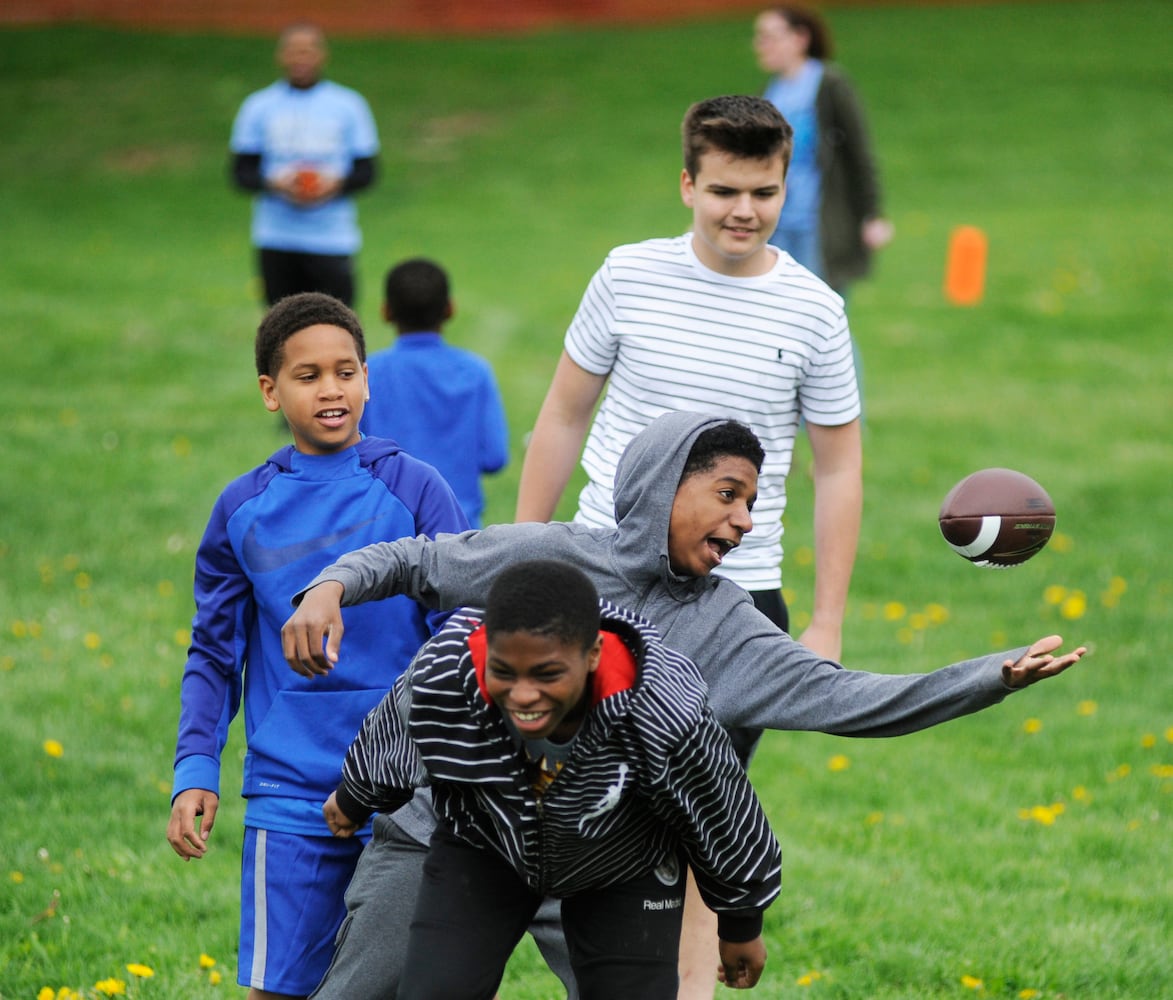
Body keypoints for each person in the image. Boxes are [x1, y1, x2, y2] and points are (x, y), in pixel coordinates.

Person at [282, 411, 1087, 1000]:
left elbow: (847, 699)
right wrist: (330, 588)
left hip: (603, 860)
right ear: (664, 485)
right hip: (455, 836)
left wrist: (991, 677)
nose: (743, 521)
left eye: (753, 502)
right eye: (727, 495)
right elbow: (416, 564)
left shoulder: (726, 627)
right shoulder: (550, 557)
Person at [165, 292, 468, 1000]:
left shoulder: (416, 489)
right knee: (279, 989)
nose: (331, 389)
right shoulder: (241, 510)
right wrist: (194, 767)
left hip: (405, 792)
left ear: (367, 378)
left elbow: (461, 635)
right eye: (308, 376)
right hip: (289, 793)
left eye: (345, 371)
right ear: (271, 391)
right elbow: (214, 654)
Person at [324, 559, 781, 998]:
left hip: (622, 859)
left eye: (547, 675)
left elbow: (721, 809)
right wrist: (354, 797)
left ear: (593, 655)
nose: (523, 694)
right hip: (487, 840)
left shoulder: (660, 704)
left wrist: (741, 922)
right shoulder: (449, 671)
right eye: (503, 671)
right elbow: (398, 732)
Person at [514, 94, 861, 666]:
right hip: (605, 570)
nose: (744, 210)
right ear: (688, 186)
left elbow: (839, 467)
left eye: (764, 193)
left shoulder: (817, 311)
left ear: (785, 188)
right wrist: (518, 560)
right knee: (586, 757)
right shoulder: (627, 276)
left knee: (712, 760)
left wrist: (827, 622)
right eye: (724, 191)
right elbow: (563, 416)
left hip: (739, 593)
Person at [230, 23, 379, 307]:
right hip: (277, 236)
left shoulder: (348, 105)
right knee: (281, 331)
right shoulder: (259, 106)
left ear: (322, 55)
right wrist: (276, 184)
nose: (301, 58)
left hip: (332, 237)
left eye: (308, 51)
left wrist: (334, 184)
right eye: (293, 51)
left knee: (337, 325)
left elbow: (367, 172)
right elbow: (241, 173)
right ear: (280, 56)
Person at [753, 4, 893, 295]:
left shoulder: (829, 84)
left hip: (820, 222)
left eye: (770, 36)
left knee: (824, 319)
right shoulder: (772, 91)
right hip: (779, 221)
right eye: (759, 37)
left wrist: (872, 214)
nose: (761, 45)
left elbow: (859, 153)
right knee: (786, 314)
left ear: (800, 38)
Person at [360, 257, 510, 528]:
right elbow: (494, 457)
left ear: (386, 312)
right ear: (450, 309)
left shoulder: (369, 374)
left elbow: (354, 453)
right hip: (458, 533)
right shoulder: (475, 371)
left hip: (386, 535)